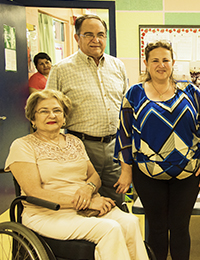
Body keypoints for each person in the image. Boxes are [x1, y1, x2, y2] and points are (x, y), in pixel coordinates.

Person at [4, 89, 148, 260]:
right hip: (47, 213)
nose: (52, 115)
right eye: (44, 111)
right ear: (33, 118)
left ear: (64, 117)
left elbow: (94, 176)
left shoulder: (74, 142)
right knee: (110, 228)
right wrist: (86, 203)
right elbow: (35, 192)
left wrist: (89, 188)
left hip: (84, 206)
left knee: (130, 222)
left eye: (57, 110)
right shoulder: (23, 146)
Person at [113, 40, 200, 260]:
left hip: (188, 173)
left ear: (173, 62)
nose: (161, 65)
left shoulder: (191, 92)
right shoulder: (134, 94)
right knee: (156, 228)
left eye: (165, 60)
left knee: (180, 228)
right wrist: (126, 171)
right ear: (146, 64)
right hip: (148, 174)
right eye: (155, 60)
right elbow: (125, 135)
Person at [46, 14, 127, 207]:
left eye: (100, 34)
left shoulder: (118, 66)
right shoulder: (61, 69)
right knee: (84, 201)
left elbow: (125, 106)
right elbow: (48, 109)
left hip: (114, 146)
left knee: (116, 199)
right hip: (80, 146)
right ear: (76, 38)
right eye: (88, 34)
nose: (96, 40)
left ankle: (116, 236)